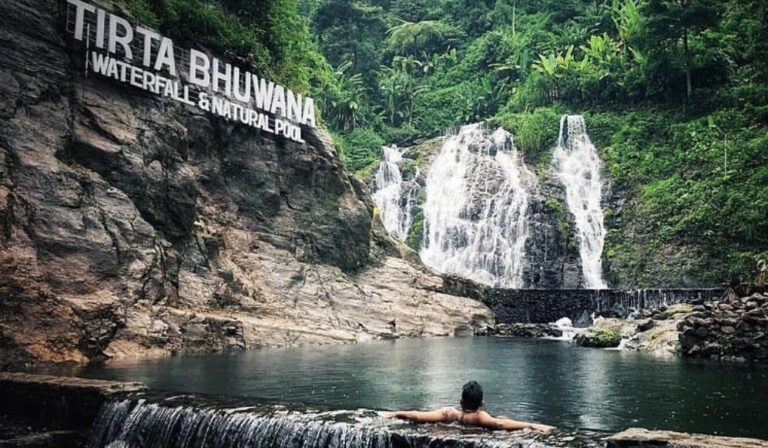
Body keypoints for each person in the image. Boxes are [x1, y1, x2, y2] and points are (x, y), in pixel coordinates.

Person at [385, 381, 554, 433]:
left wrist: (396, 413)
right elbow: (501, 425)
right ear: (481, 404)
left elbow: (418, 416)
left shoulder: (449, 413)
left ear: (460, 401)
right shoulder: (480, 417)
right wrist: (532, 425)